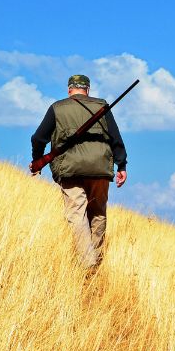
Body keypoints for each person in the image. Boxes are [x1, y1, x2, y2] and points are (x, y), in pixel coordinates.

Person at [31, 74, 128, 271]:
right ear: (87, 90)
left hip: (70, 169)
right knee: (98, 214)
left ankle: (87, 262)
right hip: (100, 168)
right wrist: (122, 165)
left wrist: (37, 160)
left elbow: (38, 138)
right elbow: (116, 138)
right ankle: (96, 264)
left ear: (69, 90)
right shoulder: (102, 106)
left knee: (76, 213)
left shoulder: (57, 108)